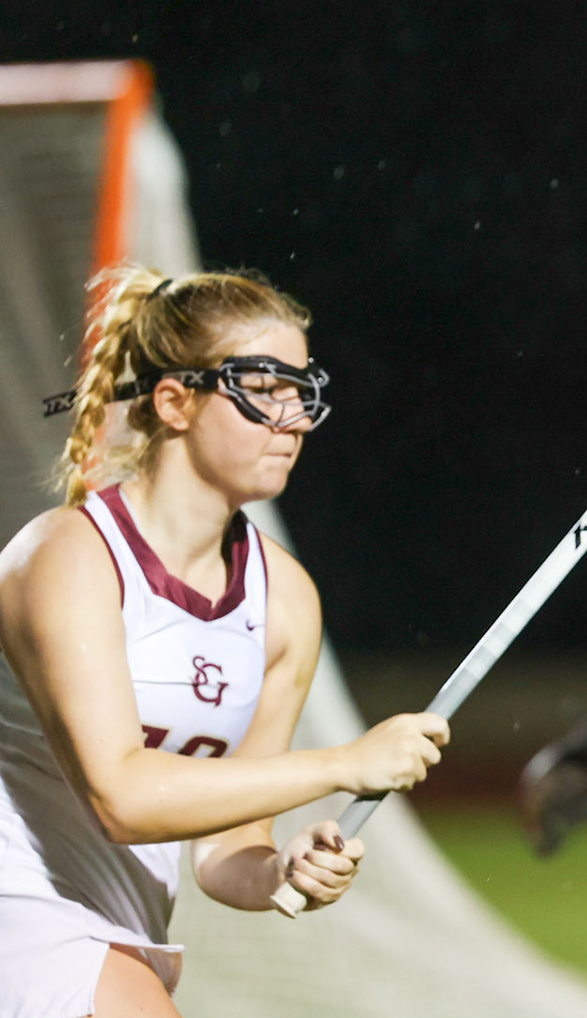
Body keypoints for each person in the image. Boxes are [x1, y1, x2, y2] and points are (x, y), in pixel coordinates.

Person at [0, 266, 450, 1018]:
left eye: (300, 392)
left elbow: (225, 849)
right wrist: (342, 764)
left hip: (117, 932)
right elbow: (123, 795)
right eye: (263, 390)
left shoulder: (285, 602)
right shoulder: (66, 557)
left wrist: (280, 871)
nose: (294, 419)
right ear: (175, 401)